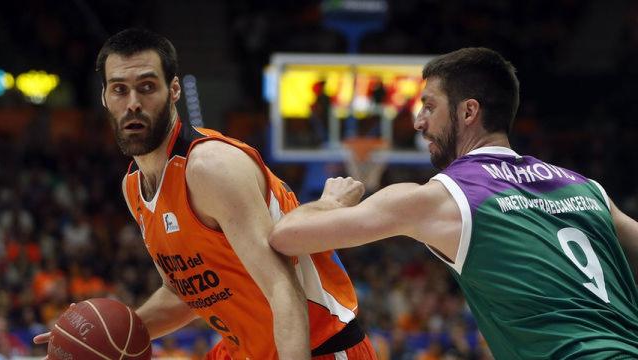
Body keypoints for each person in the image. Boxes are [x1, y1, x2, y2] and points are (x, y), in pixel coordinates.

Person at [270, 47, 638, 359]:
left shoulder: (442, 198)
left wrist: (332, 202)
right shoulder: (588, 189)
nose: (418, 122)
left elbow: (286, 236)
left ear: (468, 112)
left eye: (429, 107)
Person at [35, 28, 376, 360]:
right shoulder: (133, 187)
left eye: (147, 87)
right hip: (244, 350)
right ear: (105, 98)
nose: (133, 103)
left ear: (174, 91)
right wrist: (94, 338)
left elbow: (282, 287)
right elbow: (185, 294)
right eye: (120, 90)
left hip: (318, 347)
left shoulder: (210, 168)